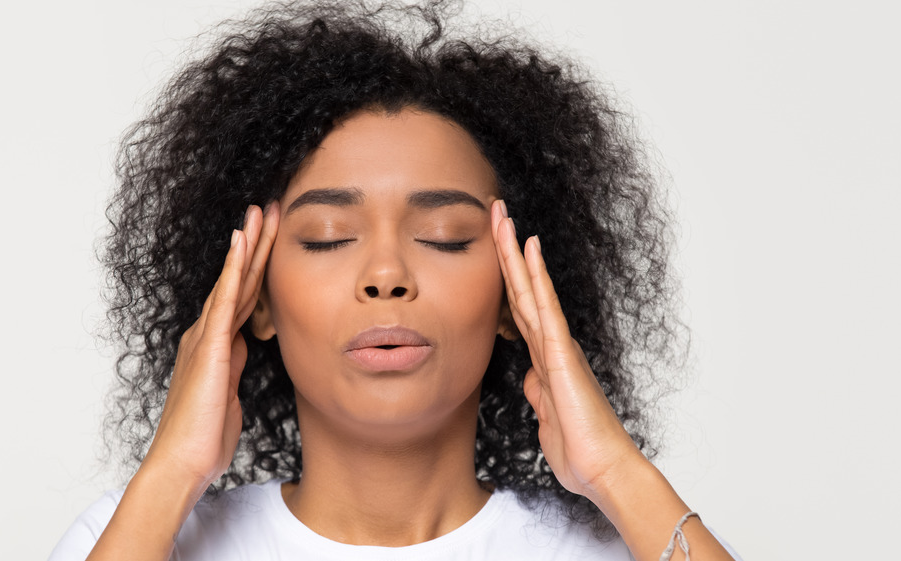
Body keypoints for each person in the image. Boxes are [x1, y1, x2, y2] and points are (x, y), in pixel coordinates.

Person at [51, 1, 741, 559]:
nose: (386, 274)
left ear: (515, 294)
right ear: (253, 296)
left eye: (446, 238)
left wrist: (618, 474)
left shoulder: (625, 546)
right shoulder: (138, 534)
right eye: (329, 239)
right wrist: (171, 470)